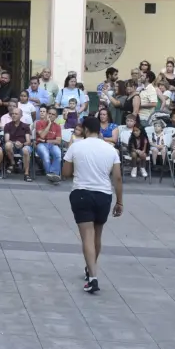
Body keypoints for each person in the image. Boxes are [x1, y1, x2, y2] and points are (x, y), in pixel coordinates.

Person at [62, 116, 123, 294]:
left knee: (87, 236)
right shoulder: (111, 150)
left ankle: (93, 277)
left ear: (86, 130)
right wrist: (119, 201)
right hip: (104, 194)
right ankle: (90, 269)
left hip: (82, 193)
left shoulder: (76, 146)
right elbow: (117, 178)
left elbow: (65, 172)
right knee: (97, 235)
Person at [4, 108, 33, 182]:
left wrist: (22, 144)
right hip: (13, 146)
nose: (13, 115)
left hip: (23, 146)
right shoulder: (7, 125)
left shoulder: (25, 126)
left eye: (16, 114)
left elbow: (28, 141)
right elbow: (7, 139)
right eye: (12, 114)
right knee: (7, 145)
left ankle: (26, 174)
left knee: (26, 150)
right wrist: (15, 143)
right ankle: (13, 163)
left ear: (21, 116)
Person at [35, 106, 63, 183]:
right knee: (46, 155)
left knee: (58, 154)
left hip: (52, 145)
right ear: (47, 114)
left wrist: (47, 140)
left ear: (56, 116)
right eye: (49, 113)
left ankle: (53, 174)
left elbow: (58, 141)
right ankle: (52, 175)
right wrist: (49, 124)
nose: (50, 115)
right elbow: (42, 136)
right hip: (41, 145)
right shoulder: (39, 123)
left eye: (53, 114)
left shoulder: (57, 126)